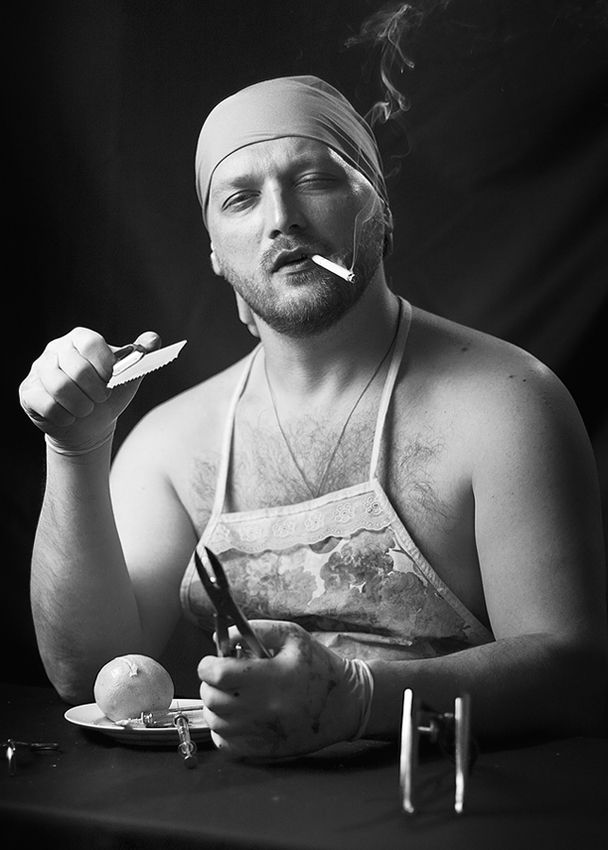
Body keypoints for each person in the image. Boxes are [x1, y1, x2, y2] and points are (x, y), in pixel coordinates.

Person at [19, 75, 607, 759]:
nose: (281, 218)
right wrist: (76, 447)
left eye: (315, 180)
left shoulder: (506, 403)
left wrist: (360, 698)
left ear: (380, 213)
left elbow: (577, 676)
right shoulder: (169, 448)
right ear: (215, 255)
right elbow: (92, 676)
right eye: (240, 199)